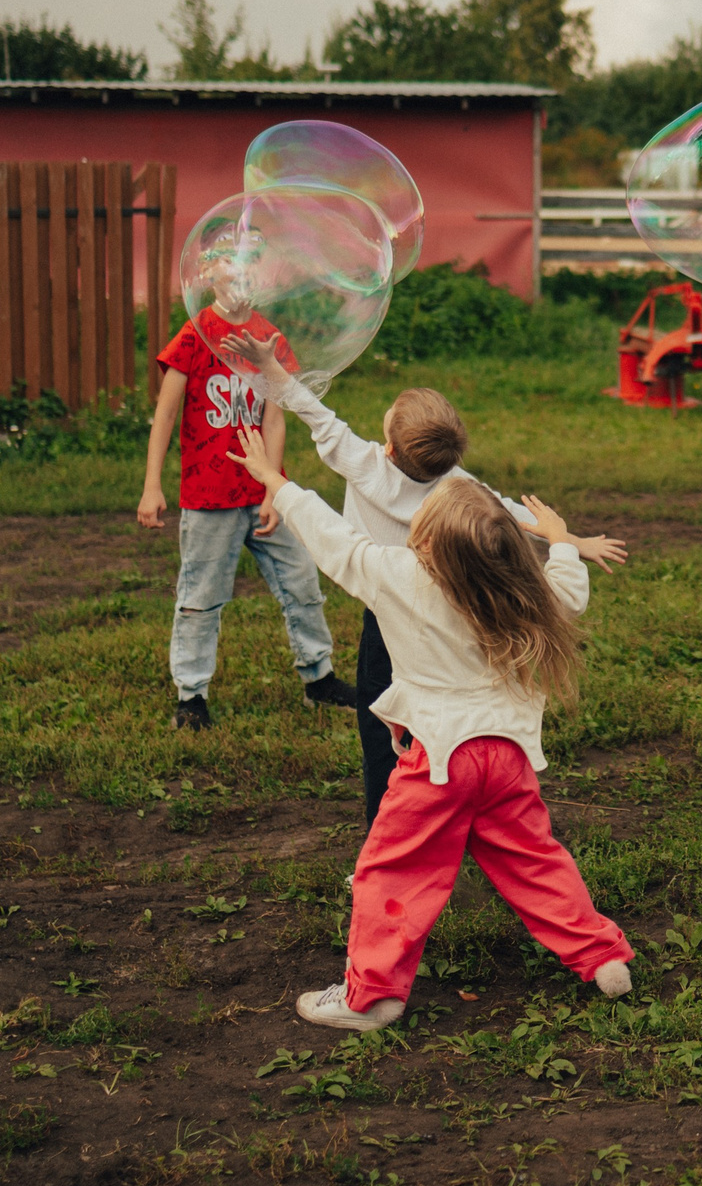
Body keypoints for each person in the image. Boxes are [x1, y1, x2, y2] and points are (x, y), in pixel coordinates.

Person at [228, 429, 634, 1030]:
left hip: (440, 763)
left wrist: (275, 480)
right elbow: (570, 588)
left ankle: (372, 999)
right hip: (508, 760)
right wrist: (558, 541)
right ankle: (602, 957)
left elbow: (330, 536)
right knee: (535, 860)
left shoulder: (398, 577)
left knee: (391, 870)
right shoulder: (525, 587)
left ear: (426, 540)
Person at [246, 344, 628, 832]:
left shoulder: (363, 463)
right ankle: (462, 810)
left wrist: (268, 363)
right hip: (464, 608)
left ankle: (387, 834)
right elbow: (510, 514)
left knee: (381, 729)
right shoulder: (456, 487)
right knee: (449, 720)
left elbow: (311, 410)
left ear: (388, 447)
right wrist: (571, 542)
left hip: (390, 613)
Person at [138, 309, 358, 731]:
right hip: (208, 495)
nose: (238, 272)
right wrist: (152, 485)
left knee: (302, 581)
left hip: (265, 493)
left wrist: (274, 490)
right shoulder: (194, 335)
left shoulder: (266, 337)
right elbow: (165, 415)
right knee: (200, 597)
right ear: (210, 270)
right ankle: (192, 697)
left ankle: (319, 679)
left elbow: (274, 419)